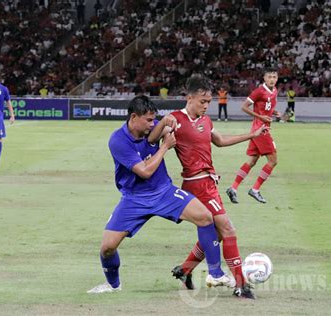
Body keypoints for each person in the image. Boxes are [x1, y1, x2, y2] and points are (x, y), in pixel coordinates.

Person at [87, 95, 234, 294]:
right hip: (134, 199)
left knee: (206, 217)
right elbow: (145, 172)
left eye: (153, 119)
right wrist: (164, 147)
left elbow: (172, 127)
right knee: (107, 248)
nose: (151, 124)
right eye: (148, 120)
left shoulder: (153, 127)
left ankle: (215, 273)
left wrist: (169, 122)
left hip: (164, 191)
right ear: (133, 117)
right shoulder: (118, 140)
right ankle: (113, 285)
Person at [148, 75, 267, 299]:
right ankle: (240, 283)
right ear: (189, 98)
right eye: (202, 101)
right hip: (196, 184)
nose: (206, 105)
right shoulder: (175, 119)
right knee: (228, 229)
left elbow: (220, 141)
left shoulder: (206, 121)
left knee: (217, 234)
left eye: (209, 102)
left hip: (208, 183)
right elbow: (152, 140)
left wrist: (251, 134)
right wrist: (163, 123)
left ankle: (184, 270)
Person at [226, 67, 280, 204]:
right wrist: (261, 117)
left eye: (274, 77)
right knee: (273, 161)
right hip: (260, 130)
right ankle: (255, 190)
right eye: (269, 77)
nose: (272, 79)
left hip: (258, 129)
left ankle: (233, 188)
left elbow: (266, 107)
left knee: (252, 161)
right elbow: (244, 107)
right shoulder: (259, 91)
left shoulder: (274, 91)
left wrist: (273, 112)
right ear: (264, 78)